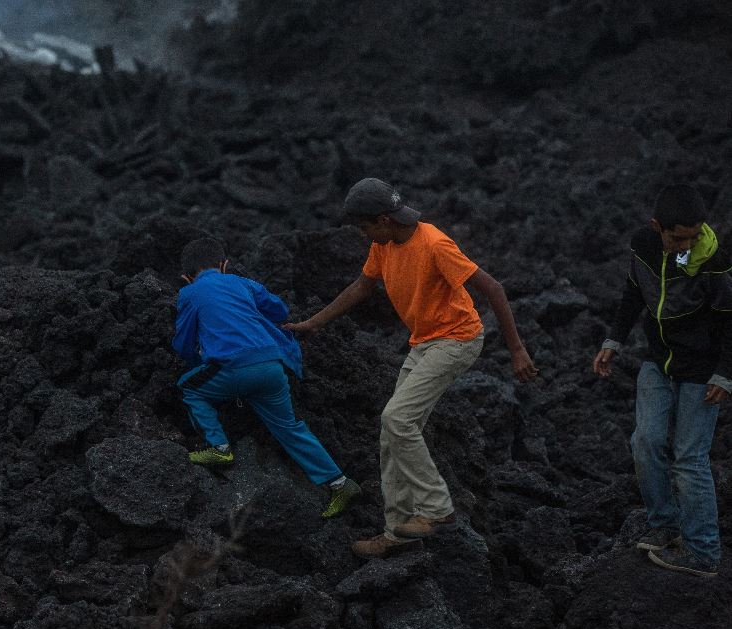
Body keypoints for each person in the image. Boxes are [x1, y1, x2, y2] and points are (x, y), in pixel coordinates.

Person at [284, 177, 538, 559]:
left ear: (384, 220)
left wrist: (517, 350)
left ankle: (436, 507)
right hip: (424, 342)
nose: (363, 235)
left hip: (457, 340)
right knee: (392, 434)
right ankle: (398, 531)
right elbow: (360, 288)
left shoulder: (435, 244)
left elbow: (494, 289)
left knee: (397, 419)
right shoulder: (383, 245)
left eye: (365, 227)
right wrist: (313, 323)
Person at [593, 184, 731, 578]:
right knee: (645, 443)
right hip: (658, 362)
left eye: (694, 237)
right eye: (678, 238)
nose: (687, 245)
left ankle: (703, 553)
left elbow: (730, 320)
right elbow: (633, 292)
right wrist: (613, 341)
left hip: (702, 371)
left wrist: (725, 374)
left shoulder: (714, 262)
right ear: (658, 228)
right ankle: (665, 526)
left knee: (689, 458)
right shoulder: (644, 246)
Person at [172, 237, 362, 519]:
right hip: (272, 366)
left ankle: (219, 447)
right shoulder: (243, 283)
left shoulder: (189, 293)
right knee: (289, 428)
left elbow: (183, 343)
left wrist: (197, 358)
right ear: (224, 265)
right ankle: (340, 483)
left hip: (232, 367)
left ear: (186, 277)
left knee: (190, 388)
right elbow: (279, 310)